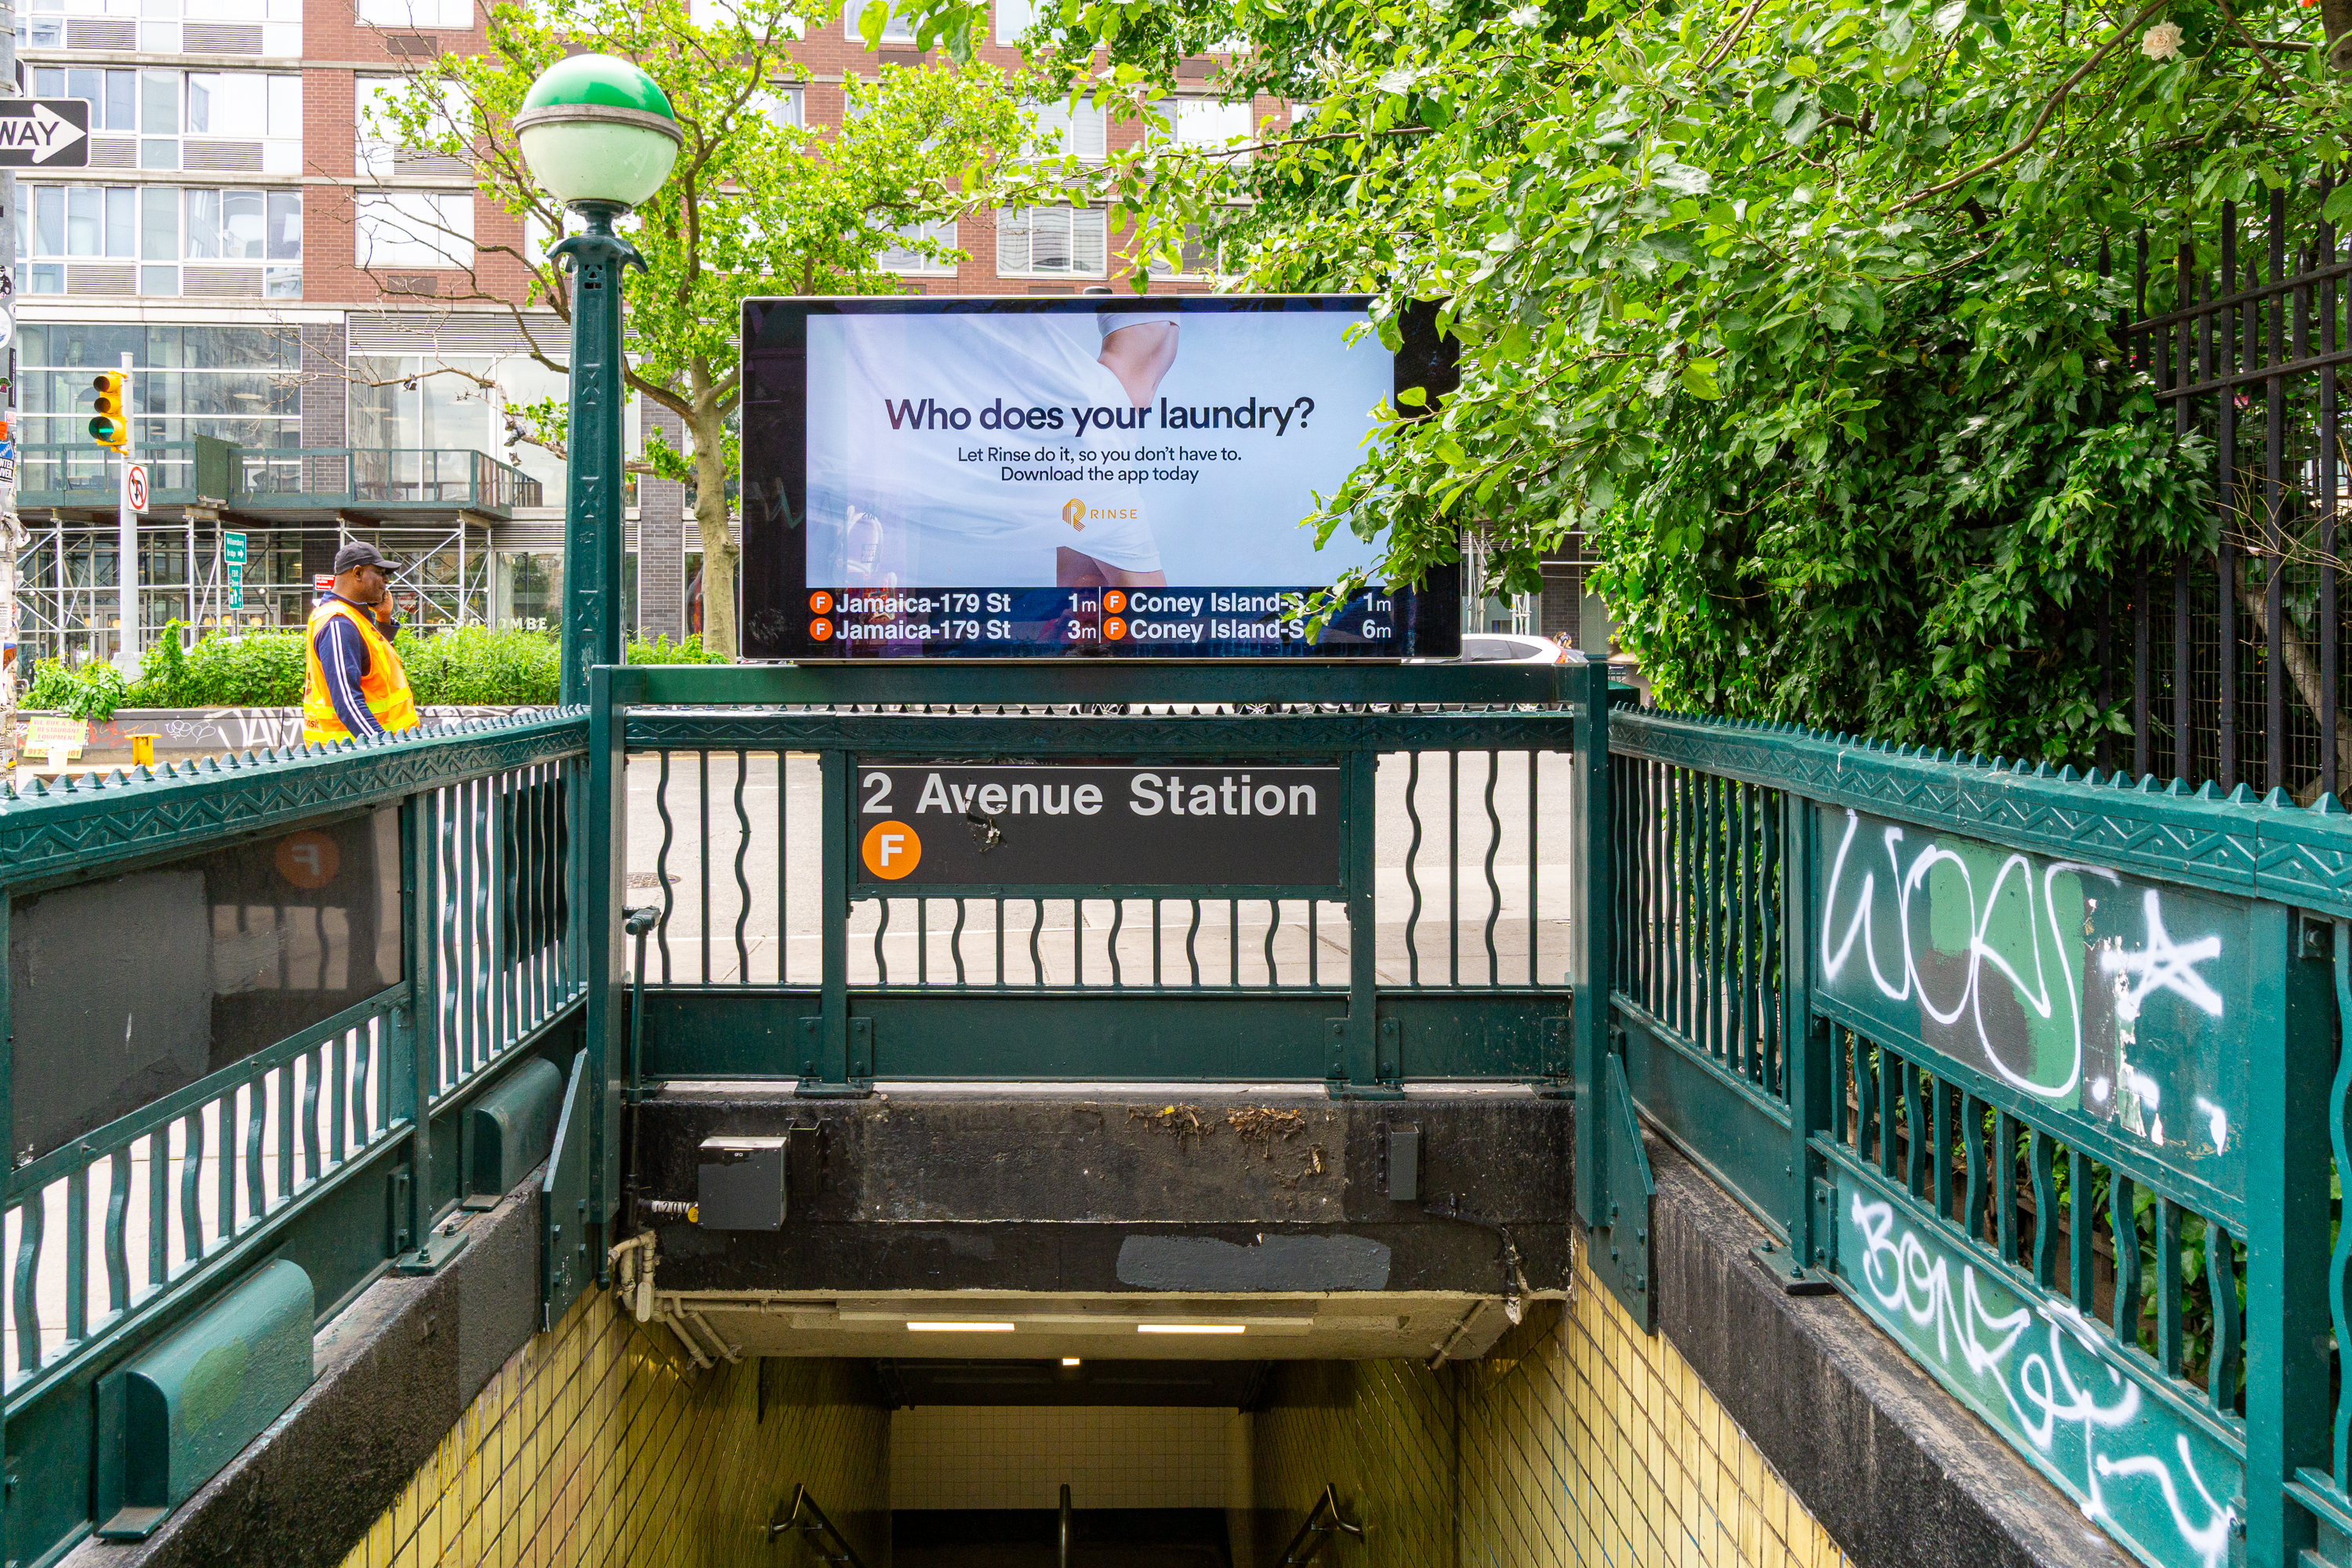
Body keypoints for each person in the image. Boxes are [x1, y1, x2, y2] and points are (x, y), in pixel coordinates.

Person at [302, 541, 419, 745]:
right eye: (380, 573)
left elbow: (377, 672)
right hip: (355, 757)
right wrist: (385, 748)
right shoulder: (338, 622)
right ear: (357, 573)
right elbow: (347, 703)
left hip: (363, 753)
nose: (386, 581)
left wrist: (384, 618)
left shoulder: (353, 618)